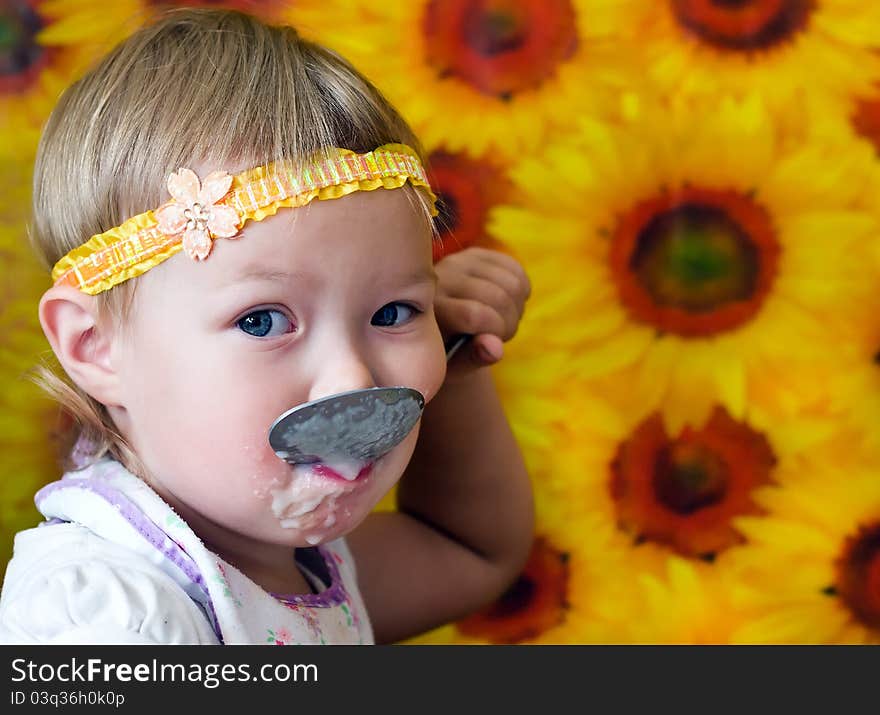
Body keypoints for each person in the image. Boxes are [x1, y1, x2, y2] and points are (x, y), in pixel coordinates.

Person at [0, 8, 533, 645]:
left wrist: (461, 363)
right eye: (262, 321)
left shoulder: (298, 563)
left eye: (393, 312)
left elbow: (470, 552)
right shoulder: (109, 612)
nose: (352, 379)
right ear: (99, 348)